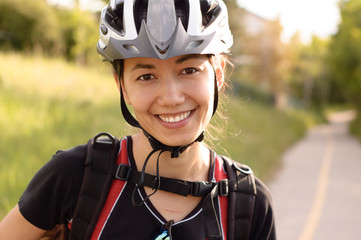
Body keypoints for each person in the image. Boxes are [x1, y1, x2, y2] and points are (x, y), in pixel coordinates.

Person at [0, 0, 276, 239]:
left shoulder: (250, 206)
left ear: (218, 74)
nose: (170, 97)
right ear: (122, 86)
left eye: (189, 70)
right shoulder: (75, 176)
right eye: (146, 76)